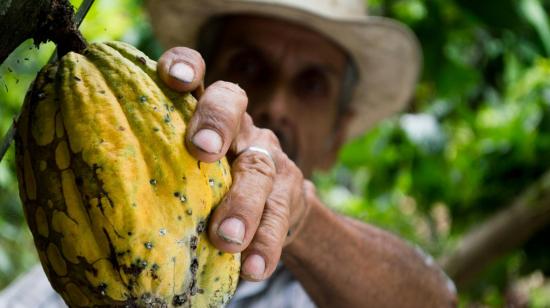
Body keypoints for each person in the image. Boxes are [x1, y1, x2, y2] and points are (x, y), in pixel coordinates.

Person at [0, 0, 457, 307]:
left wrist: (300, 218)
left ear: (338, 136)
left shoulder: (332, 290)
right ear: (191, 84)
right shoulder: (63, 272)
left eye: (312, 84)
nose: (276, 103)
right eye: (248, 66)